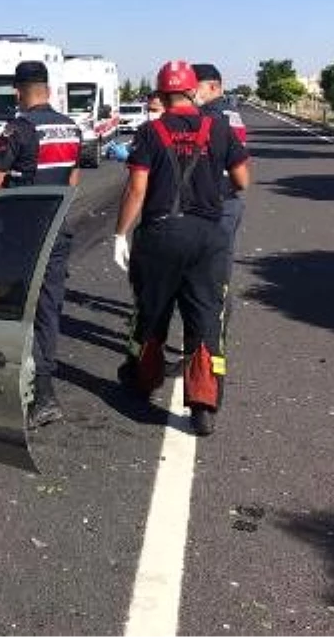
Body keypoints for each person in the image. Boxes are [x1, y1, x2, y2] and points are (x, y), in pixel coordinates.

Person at [113, 60, 250, 436]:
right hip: (208, 236)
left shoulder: (150, 131)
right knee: (206, 316)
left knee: (151, 313)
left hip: (160, 234)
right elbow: (242, 179)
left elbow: (137, 189)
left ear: (160, 93)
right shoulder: (218, 127)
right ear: (192, 90)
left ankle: (142, 381)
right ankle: (203, 403)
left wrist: (120, 233)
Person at [0, 61, 82, 428]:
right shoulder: (70, 127)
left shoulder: (18, 128)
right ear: (47, 87)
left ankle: (33, 392)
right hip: (56, 227)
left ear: (18, 91)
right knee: (48, 309)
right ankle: (43, 390)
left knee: (18, 308)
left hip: (22, 232)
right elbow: (73, 179)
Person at [192, 63, 249, 353]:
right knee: (219, 272)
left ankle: (208, 345)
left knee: (208, 276)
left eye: (196, 86)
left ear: (214, 87)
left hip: (213, 203)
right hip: (229, 200)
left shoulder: (207, 118)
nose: (191, 92)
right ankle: (214, 335)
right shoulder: (233, 116)